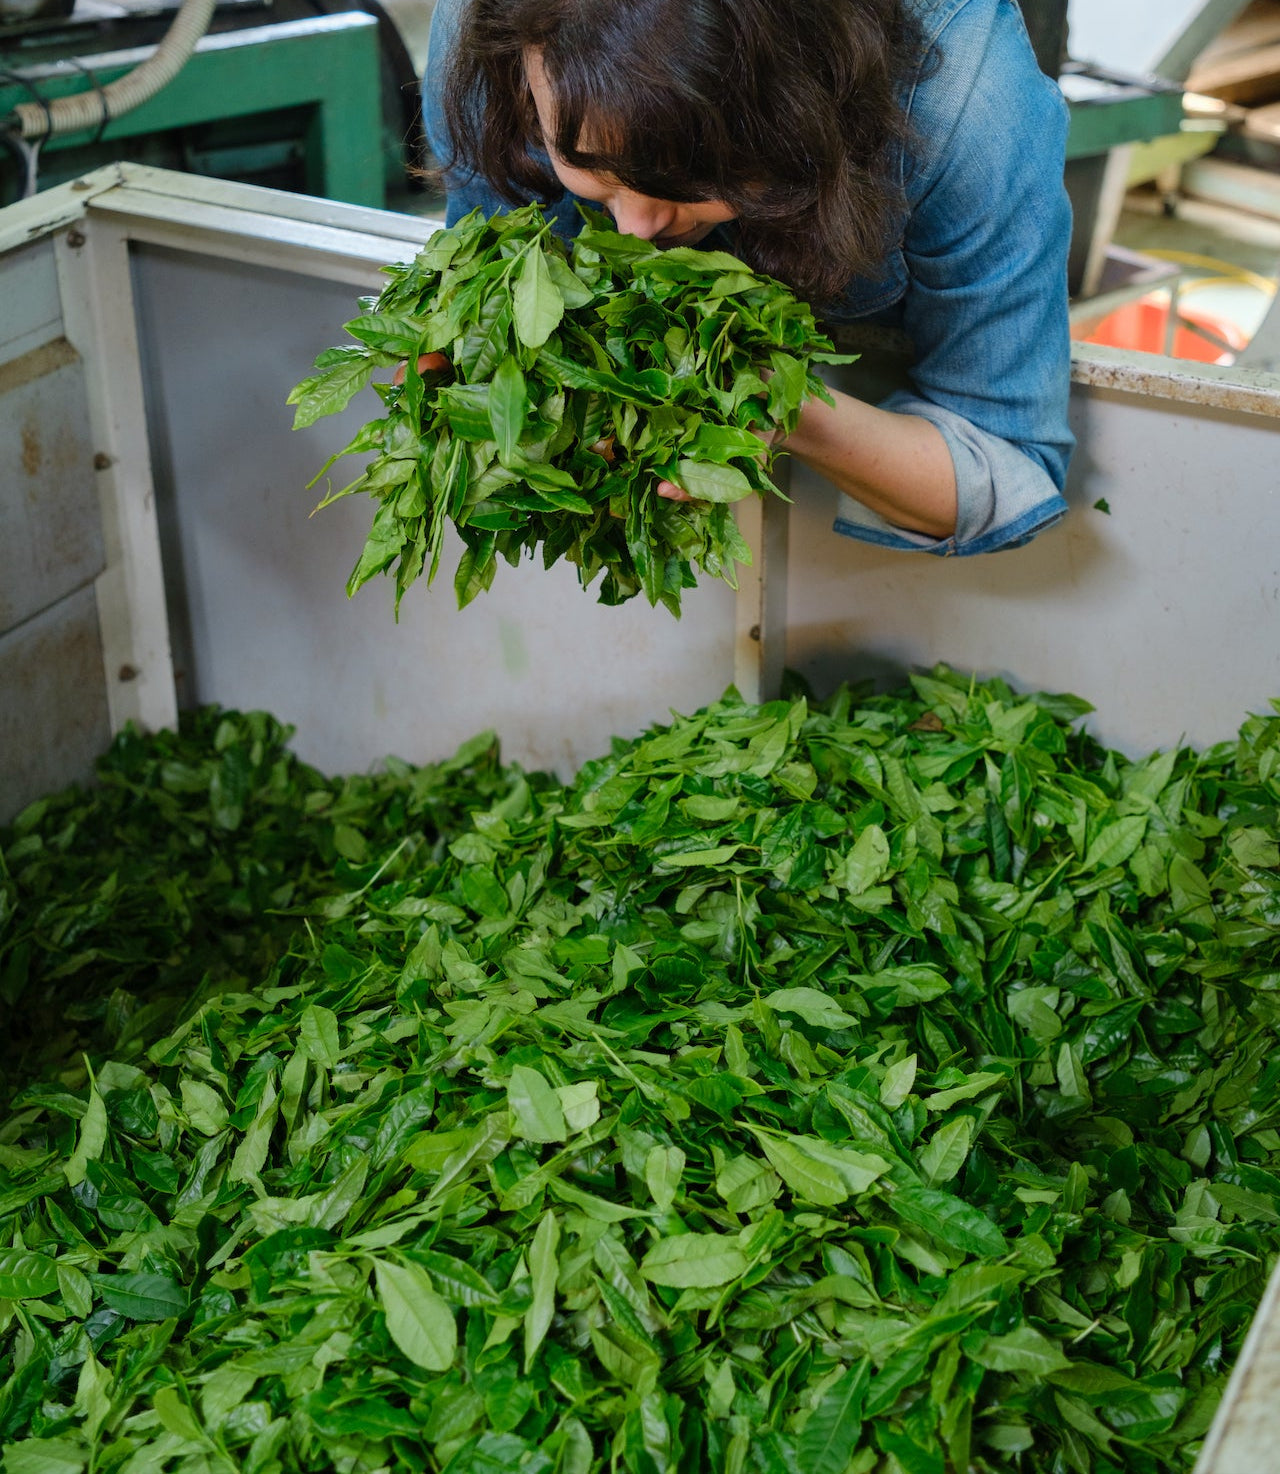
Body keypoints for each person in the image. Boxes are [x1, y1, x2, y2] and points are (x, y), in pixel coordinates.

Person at [420, 0, 1074, 557]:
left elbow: (1006, 461)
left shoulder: (968, 103)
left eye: (691, 180)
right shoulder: (497, 27)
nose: (638, 228)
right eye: (590, 165)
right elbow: (489, 260)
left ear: (799, 103)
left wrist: (776, 404)